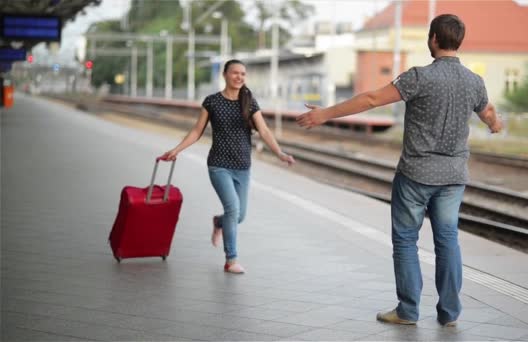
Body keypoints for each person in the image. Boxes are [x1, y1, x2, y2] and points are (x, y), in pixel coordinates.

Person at [296, 14, 502, 326]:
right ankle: (449, 313)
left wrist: (325, 114)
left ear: (433, 39)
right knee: (447, 240)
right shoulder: (475, 82)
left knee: (406, 239)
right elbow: (487, 112)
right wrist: (495, 124)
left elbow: (371, 98)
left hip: (415, 175)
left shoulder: (419, 77)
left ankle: (407, 311)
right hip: (452, 177)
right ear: (459, 42)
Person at [161, 59, 295, 274]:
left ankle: (218, 222)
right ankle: (231, 260)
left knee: (239, 216)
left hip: (243, 166)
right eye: (235, 73)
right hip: (219, 165)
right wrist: (176, 150)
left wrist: (279, 153)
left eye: (243, 73)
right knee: (233, 209)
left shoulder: (249, 102)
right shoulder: (212, 102)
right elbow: (196, 131)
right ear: (225, 75)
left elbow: (264, 131)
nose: (239, 77)